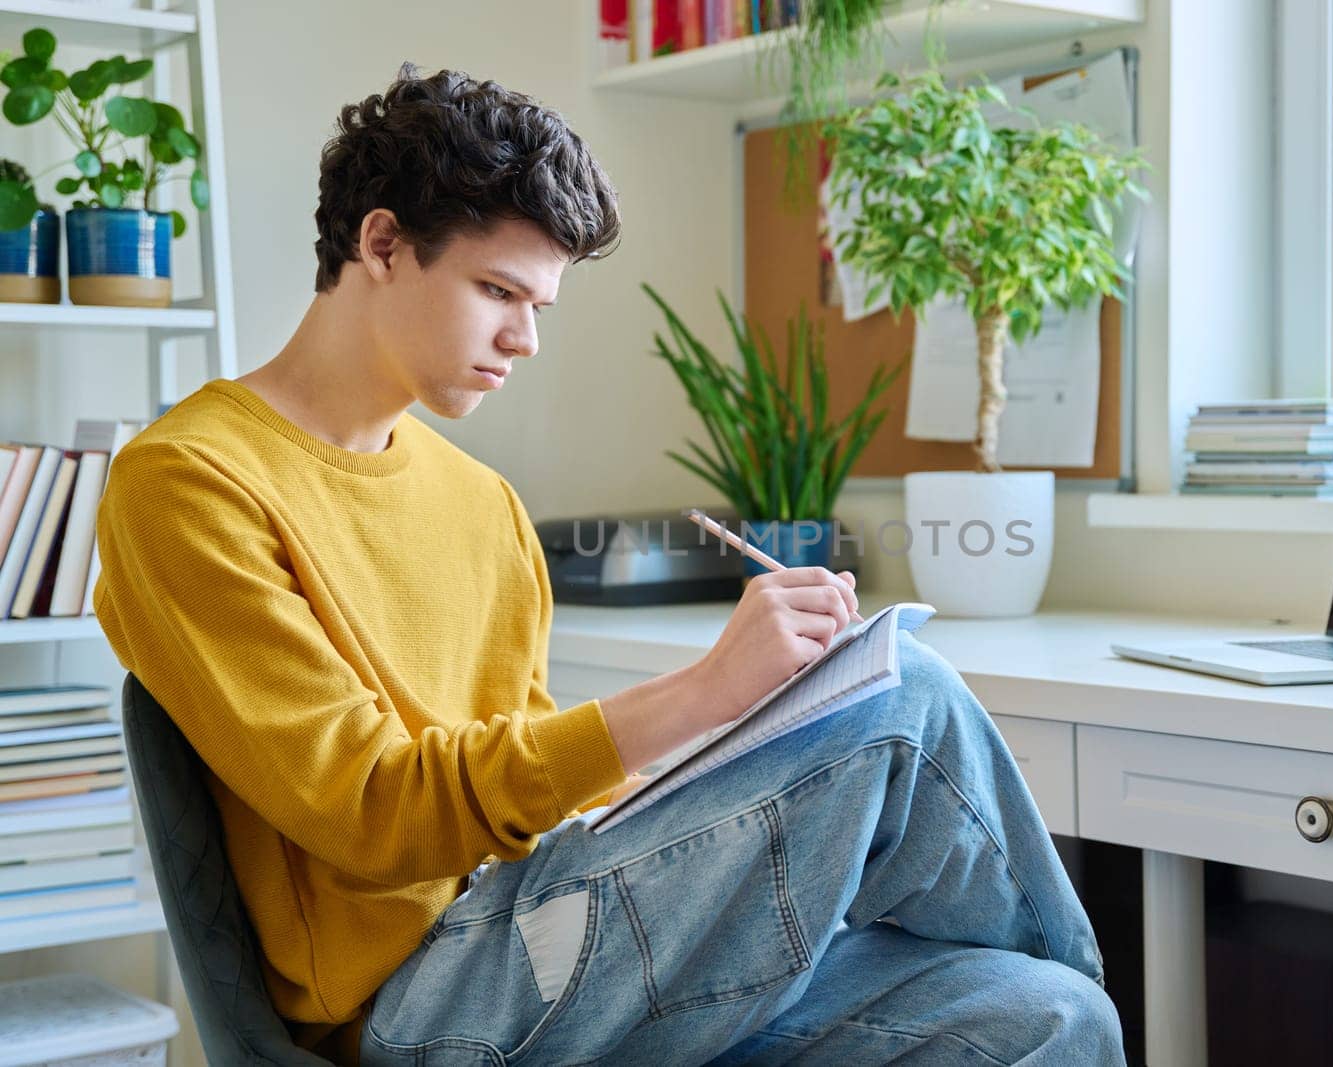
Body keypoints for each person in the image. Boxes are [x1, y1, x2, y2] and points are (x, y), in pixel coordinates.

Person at [94, 64, 1123, 1066]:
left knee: (1047, 1011)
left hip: (544, 915)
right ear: (382, 243)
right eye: (499, 289)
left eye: (541, 304)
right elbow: (373, 810)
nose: (525, 337)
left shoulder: (477, 500)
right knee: (913, 700)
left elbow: (527, 775)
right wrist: (699, 689)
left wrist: (746, 730)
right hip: (424, 999)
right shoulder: (189, 482)